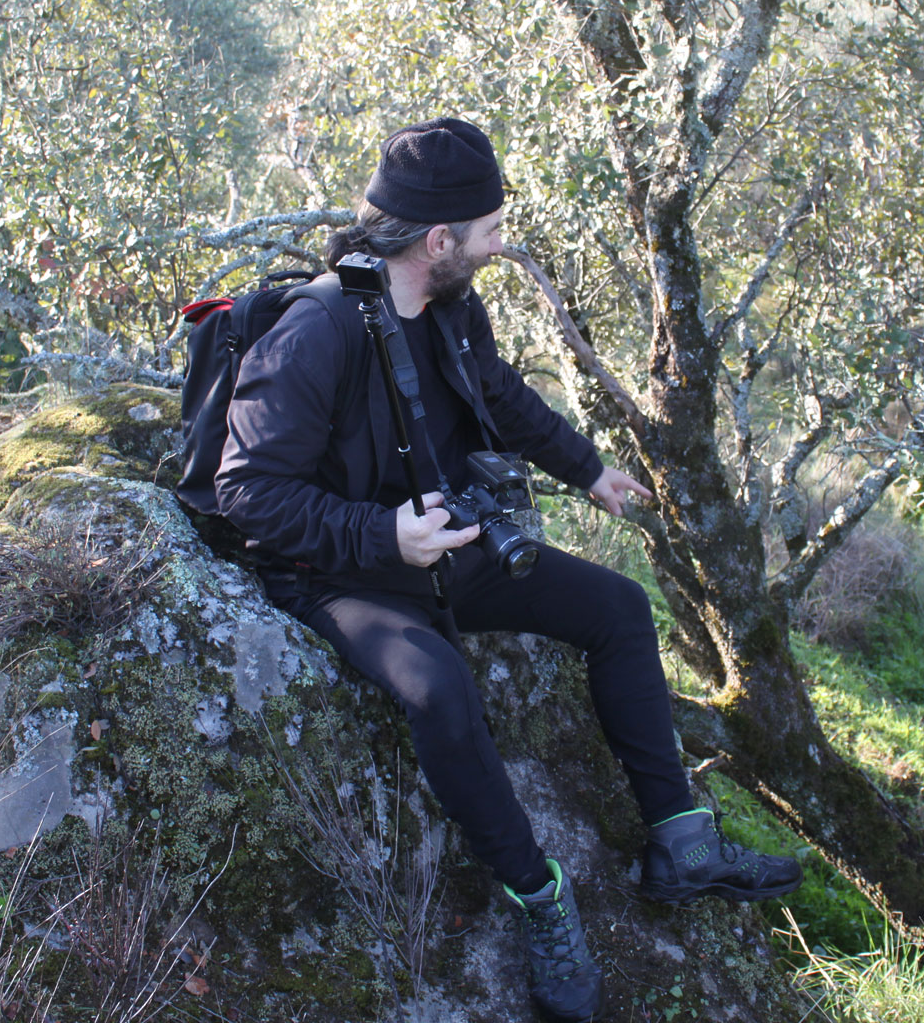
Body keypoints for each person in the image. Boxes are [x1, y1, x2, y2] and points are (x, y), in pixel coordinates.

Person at [215, 118, 800, 1022]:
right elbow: (247, 490)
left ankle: (680, 845)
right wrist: (382, 535)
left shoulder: (452, 307)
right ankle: (539, 895)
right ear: (438, 240)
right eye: (489, 230)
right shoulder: (316, 332)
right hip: (344, 572)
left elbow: (500, 394)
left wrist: (587, 469)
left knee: (619, 607)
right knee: (442, 689)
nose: (499, 245)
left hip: (450, 549)